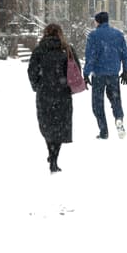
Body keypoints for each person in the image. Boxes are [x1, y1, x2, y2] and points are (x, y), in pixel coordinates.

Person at [27, 23, 78, 172]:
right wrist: (68, 85)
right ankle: (54, 157)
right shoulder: (67, 50)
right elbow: (76, 70)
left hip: (45, 93)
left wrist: (37, 85)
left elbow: (31, 70)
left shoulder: (39, 50)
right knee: (60, 126)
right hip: (63, 93)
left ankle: (51, 152)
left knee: (47, 125)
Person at [83, 10, 127, 139]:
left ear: (97, 21)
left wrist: (86, 74)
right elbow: (125, 54)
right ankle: (119, 118)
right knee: (115, 99)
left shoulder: (93, 36)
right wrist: (126, 70)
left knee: (97, 104)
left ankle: (103, 131)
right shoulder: (118, 34)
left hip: (98, 74)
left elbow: (90, 56)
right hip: (113, 74)